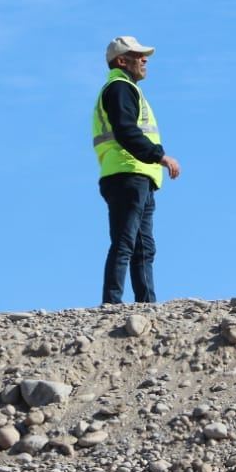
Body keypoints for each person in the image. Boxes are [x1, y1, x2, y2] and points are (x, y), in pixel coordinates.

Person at [92, 36, 181, 304]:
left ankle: (146, 304)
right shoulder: (120, 88)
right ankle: (112, 304)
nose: (145, 60)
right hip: (127, 173)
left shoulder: (126, 89)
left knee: (143, 247)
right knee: (125, 242)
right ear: (122, 61)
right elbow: (126, 131)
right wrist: (160, 156)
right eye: (138, 55)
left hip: (137, 174)